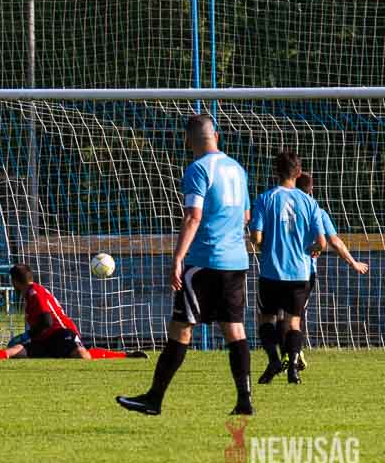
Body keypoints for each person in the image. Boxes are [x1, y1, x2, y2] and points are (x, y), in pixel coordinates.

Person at [117, 114, 254, 416]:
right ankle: (245, 401)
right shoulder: (237, 169)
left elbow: (194, 216)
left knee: (180, 328)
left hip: (205, 261)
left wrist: (178, 257)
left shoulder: (198, 169)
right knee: (235, 329)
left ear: (187, 141)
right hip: (236, 260)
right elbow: (246, 216)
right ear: (216, 136)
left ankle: (153, 399)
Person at [271, 172, 368, 371]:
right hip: (304, 273)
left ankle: (289, 354)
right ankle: (294, 354)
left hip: (279, 269)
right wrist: (353, 263)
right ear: (311, 190)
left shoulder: (277, 206)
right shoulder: (316, 210)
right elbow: (334, 241)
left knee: (280, 315)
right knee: (295, 316)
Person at [0, 264, 131, 360]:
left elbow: (47, 321)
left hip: (61, 333)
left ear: (15, 282)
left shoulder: (35, 293)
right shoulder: (31, 293)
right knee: (13, 352)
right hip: (45, 339)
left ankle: (125, 355)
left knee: (83, 355)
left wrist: (27, 335)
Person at [250, 153, 326, 385]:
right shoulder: (309, 202)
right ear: (298, 173)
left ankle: (274, 360)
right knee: (294, 322)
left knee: (266, 319)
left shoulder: (264, 198)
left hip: (271, 271)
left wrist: (268, 246)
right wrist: (311, 249)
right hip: (300, 272)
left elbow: (256, 237)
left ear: (276, 171)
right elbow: (322, 242)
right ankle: (293, 368)